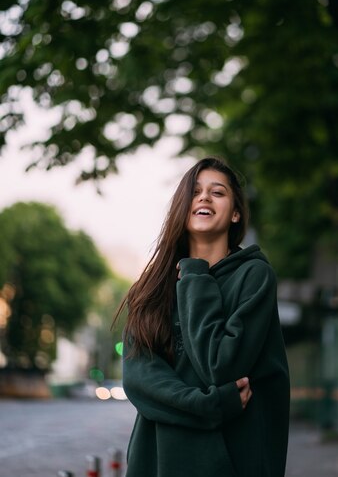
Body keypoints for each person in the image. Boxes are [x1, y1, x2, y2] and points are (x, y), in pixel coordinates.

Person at [118, 156, 290, 477]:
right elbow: (140, 380)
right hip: (158, 460)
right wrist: (212, 405)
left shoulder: (254, 276)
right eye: (195, 191)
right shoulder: (152, 287)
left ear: (236, 213)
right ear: (183, 207)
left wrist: (195, 276)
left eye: (218, 192)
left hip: (229, 462)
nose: (204, 197)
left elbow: (220, 366)